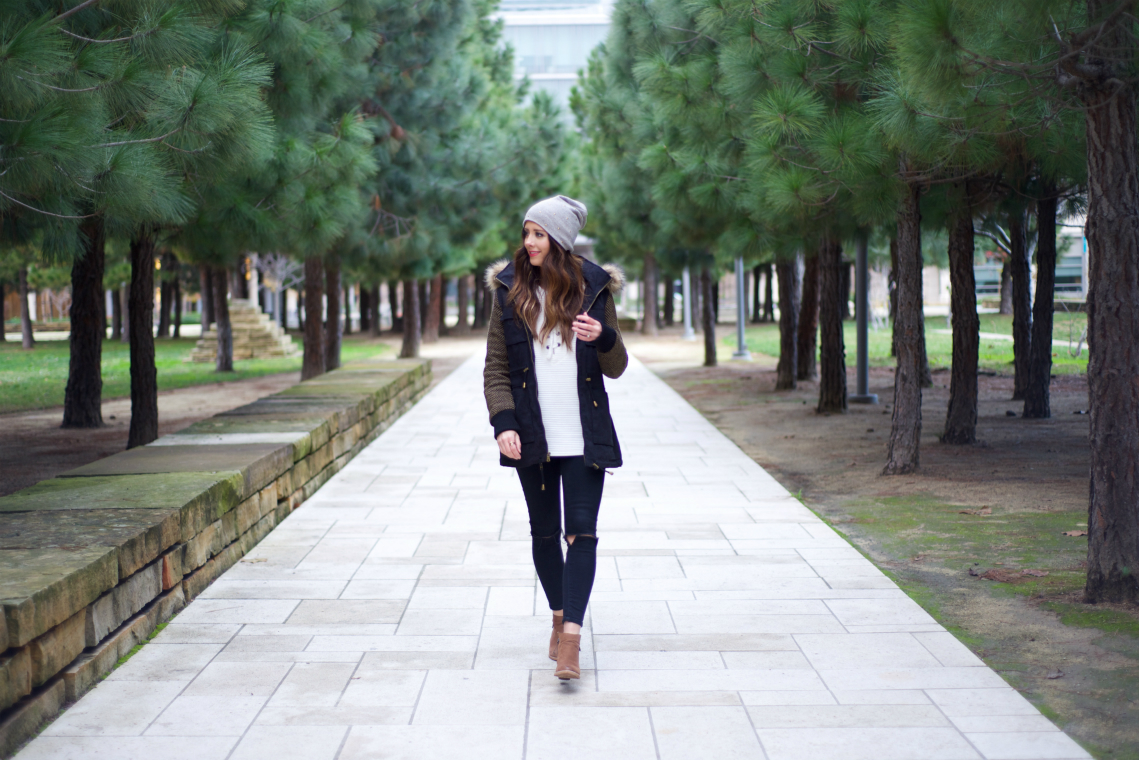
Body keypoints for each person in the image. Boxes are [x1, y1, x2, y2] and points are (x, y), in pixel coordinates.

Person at [483, 195, 627, 680]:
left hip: (584, 434)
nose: (528, 242)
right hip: (533, 435)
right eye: (526, 233)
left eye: (538, 234)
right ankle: (558, 614)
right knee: (544, 536)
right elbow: (496, 368)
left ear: (559, 240)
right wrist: (503, 423)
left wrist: (601, 337)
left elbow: (617, 366)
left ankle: (571, 641)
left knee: (580, 534)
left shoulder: (593, 290)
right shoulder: (508, 289)